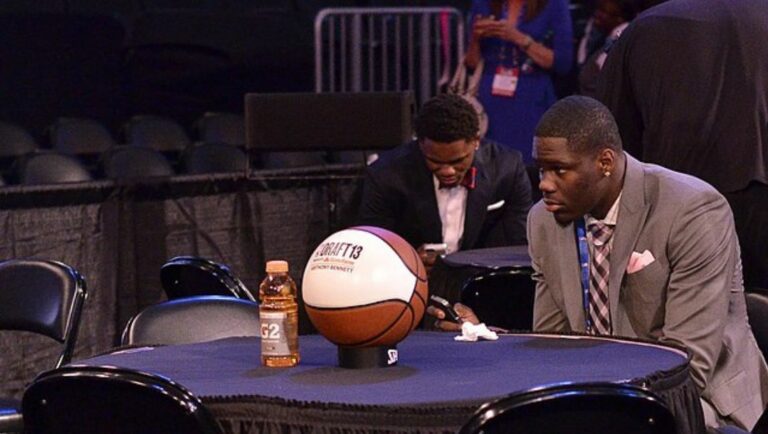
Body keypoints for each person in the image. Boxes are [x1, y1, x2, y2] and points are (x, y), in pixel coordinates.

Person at [432, 96, 768, 431]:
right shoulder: (543, 221)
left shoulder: (691, 210)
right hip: (602, 395)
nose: (544, 184)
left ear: (604, 162)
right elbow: (553, 345)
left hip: (700, 403)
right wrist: (491, 336)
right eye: (543, 169)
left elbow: (686, 366)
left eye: (559, 170)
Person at [597, 0, 768, 290]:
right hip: (750, 198)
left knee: (686, 325)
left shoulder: (644, 29)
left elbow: (609, 140)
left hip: (679, 209)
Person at [356, 93, 531, 271]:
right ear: (420, 144)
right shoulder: (386, 175)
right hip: (409, 283)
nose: (448, 171)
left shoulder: (507, 168)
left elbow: (518, 246)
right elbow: (371, 248)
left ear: (476, 141)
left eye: (458, 161)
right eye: (435, 161)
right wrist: (408, 261)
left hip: (480, 282)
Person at [464, 0, 573, 164]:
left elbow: (563, 63)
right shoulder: (482, 3)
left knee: (527, 165)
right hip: (488, 99)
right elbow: (472, 64)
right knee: (487, 166)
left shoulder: (554, 4)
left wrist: (519, 38)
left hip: (531, 97)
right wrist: (475, 39)